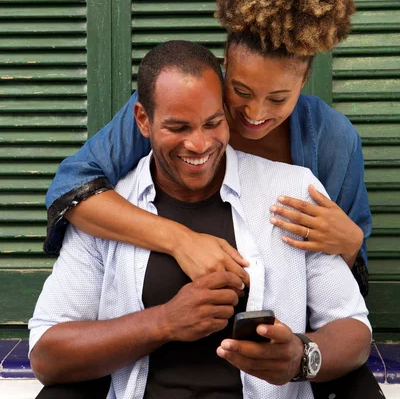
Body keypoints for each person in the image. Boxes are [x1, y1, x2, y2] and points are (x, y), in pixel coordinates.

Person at [30, 41, 372, 399]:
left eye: (212, 123)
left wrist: (301, 356)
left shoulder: (295, 188)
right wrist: (164, 321)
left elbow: (352, 328)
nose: (199, 144)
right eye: (178, 127)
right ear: (143, 120)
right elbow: (47, 355)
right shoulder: (106, 206)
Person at [44, 0, 371, 298]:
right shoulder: (177, 108)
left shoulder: (332, 140)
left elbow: (348, 293)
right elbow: (71, 191)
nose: (254, 113)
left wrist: (349, 243)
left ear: (306, 79)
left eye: (278, 99)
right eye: (240, 89)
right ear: (225, 61)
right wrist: (180, 240)